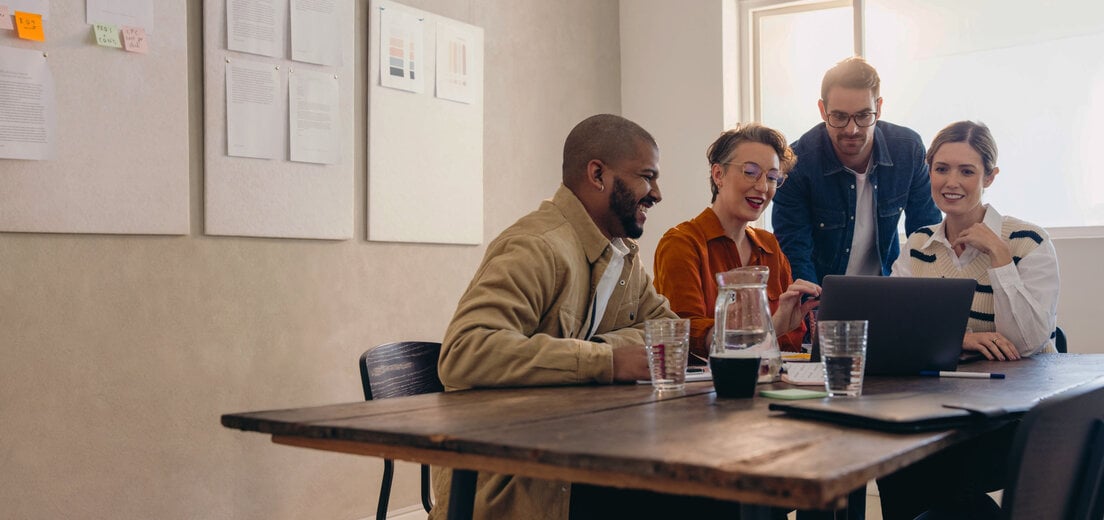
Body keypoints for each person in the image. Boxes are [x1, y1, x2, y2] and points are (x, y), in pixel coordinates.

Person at [433, 114, 742, 519]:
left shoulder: (621, 254)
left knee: (727, 491)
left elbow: (671, 335)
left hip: (580, 454)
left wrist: (602, 349)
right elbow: (464, 352)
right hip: (520, 481)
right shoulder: (536, 247)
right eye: (647, 177)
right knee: (717, 499)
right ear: (597, 174)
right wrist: (608, 361)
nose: (658, 194)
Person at [877, 121, 1060, 520]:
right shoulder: (918, 245)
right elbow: (897, 332)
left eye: (967, 170)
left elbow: (1026, 341)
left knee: (941, 476)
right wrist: (960, 339)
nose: (951, 181)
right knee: (892, 460)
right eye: (941, 169)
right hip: (940, 406)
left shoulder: (1028, 240)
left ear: (990, 177)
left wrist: (999, 257)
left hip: (1014, 415)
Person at [654, 123, 820, 360]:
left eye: (772, 177)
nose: (763, 187)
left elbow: (787, 346)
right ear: (718, 174)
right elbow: (684, 336)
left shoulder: (770, 247)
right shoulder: (681, 244)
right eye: (750, 172)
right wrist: (771, 328)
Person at [771, 56, 942, 284]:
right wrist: (813, 313)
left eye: (863, 116)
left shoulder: (908, 150)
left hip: (886, 291)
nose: (852, 130)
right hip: (822, 296)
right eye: (840, 116)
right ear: (823, 110)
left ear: (879, 108)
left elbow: (927, 236)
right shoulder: (797, 164)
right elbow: (794, 252)